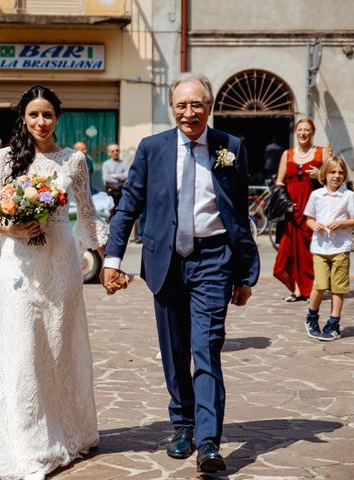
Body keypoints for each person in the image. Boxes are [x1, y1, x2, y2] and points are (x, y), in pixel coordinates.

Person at [101, 73, 260, 474]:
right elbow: (128, 206)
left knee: (206, 349)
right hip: (165, 262)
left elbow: (238, 214)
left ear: (210, 106)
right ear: (172, 108)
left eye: (198, 104)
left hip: (214, 261)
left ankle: (208, 442)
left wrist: (243, 274)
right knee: (175, 353)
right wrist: (112, 260)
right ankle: (183, 425)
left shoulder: (231, 148)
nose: (189, 112)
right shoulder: (152, 149)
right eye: (182, 105)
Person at [0, 85, 107, 480]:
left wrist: (109, 260)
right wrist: (12, 229)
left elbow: (89, 213)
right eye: (33, 115)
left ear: (57, 118)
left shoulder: (74, 160)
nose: (41, 122)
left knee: (59, 348)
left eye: (47, 115)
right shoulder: (6, 158)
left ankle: (67, 428)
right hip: (20, 266)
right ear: (23, 119)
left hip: (61, 264)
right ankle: (29, 442)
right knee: (24, 346)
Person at [303, 157, 354, 341]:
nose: (336, 176)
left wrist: (342, 223)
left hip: (341, 247)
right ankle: (312, 317)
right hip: (320, 248)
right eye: (332, 172)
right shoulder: (316, 195)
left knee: (338, 288)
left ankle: (334, 324)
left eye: (341, 172)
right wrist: (313, 225)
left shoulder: (349, 196)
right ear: (324, 174)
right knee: (320, 285)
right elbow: (309, 218)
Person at [273, 118, 328, 302]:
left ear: (312, 132)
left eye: (307, 130)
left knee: (310, 251)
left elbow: (335, 176)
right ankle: (296, 288)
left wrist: (319, 174)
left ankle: (307, 289)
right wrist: (285, 203)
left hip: (314, 208)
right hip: (292, 209)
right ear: (296, 132)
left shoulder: (322, 152)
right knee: (286, 254)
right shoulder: (287, 154)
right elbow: (280, 182)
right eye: (300, 130)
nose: (303, 133)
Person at [102, 143, 128, 214]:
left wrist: (114, 175)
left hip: (122, 191)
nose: (115, 152)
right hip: (110, 191)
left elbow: (127, 176)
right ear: (109, 153)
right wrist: (120, 179)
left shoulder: (124, 163)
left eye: (117, 150)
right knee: (111, 211)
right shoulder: (106, 164)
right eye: (113, 151)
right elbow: (106, 178)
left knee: (122, 210)